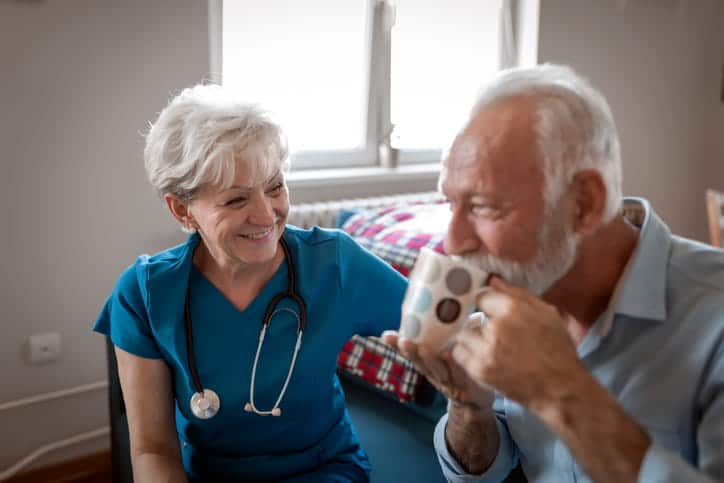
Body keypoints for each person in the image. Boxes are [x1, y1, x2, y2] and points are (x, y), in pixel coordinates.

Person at [383, 64, 724, 482]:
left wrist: (560, 391)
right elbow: (491, 470)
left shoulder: (714, 322)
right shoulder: (525, 282)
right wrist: (469, 407)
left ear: (583, 203)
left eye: (484, 207)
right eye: (452, 204)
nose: (454, 244)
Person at [93, 84, 407, 483]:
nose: (265, 215)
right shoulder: (145, 294)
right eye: (236, 200)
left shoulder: (333, 264)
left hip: (323, 471)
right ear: (182, 209)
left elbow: (446, 324)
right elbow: (153, 448)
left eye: (274, 187)